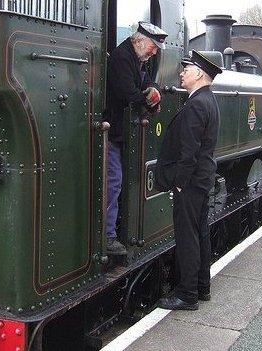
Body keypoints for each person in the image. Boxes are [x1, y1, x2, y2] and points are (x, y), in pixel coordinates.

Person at [154, 51, 221, 310]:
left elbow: (189, 151)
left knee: (187, 237)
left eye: (187, 69)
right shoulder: (208, 100)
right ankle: (202, 287)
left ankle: (187, 295)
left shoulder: (196, 104)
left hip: (190, 182)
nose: (182, 73)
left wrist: (179, 182)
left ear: (199, 74)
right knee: (200, 233)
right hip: (202, 179)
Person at [103, 22, 167, 255]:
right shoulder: (122, 57)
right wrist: (147, 99)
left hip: (123, 134)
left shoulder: (139, 59)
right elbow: (127, 93)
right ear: (139, 41)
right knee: (114, 181)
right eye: (152, 46)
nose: (154, 52)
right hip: (113, 132)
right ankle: (107, 236)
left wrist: (152, 90)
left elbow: (147, 83)